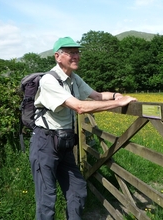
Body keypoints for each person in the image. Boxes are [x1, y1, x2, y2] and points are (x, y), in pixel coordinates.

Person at [29, 36, 137, 220]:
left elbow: (96, 96)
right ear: (58, 56)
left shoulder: (74, 78)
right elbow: (80, 107)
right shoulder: (49, 81)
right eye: (71, 53)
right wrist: (119, 104)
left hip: (64, 143)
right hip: (44, 143)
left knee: (78, 191)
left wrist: (116, 95)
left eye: (77, 52)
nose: (76, 56)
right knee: (47, 200)